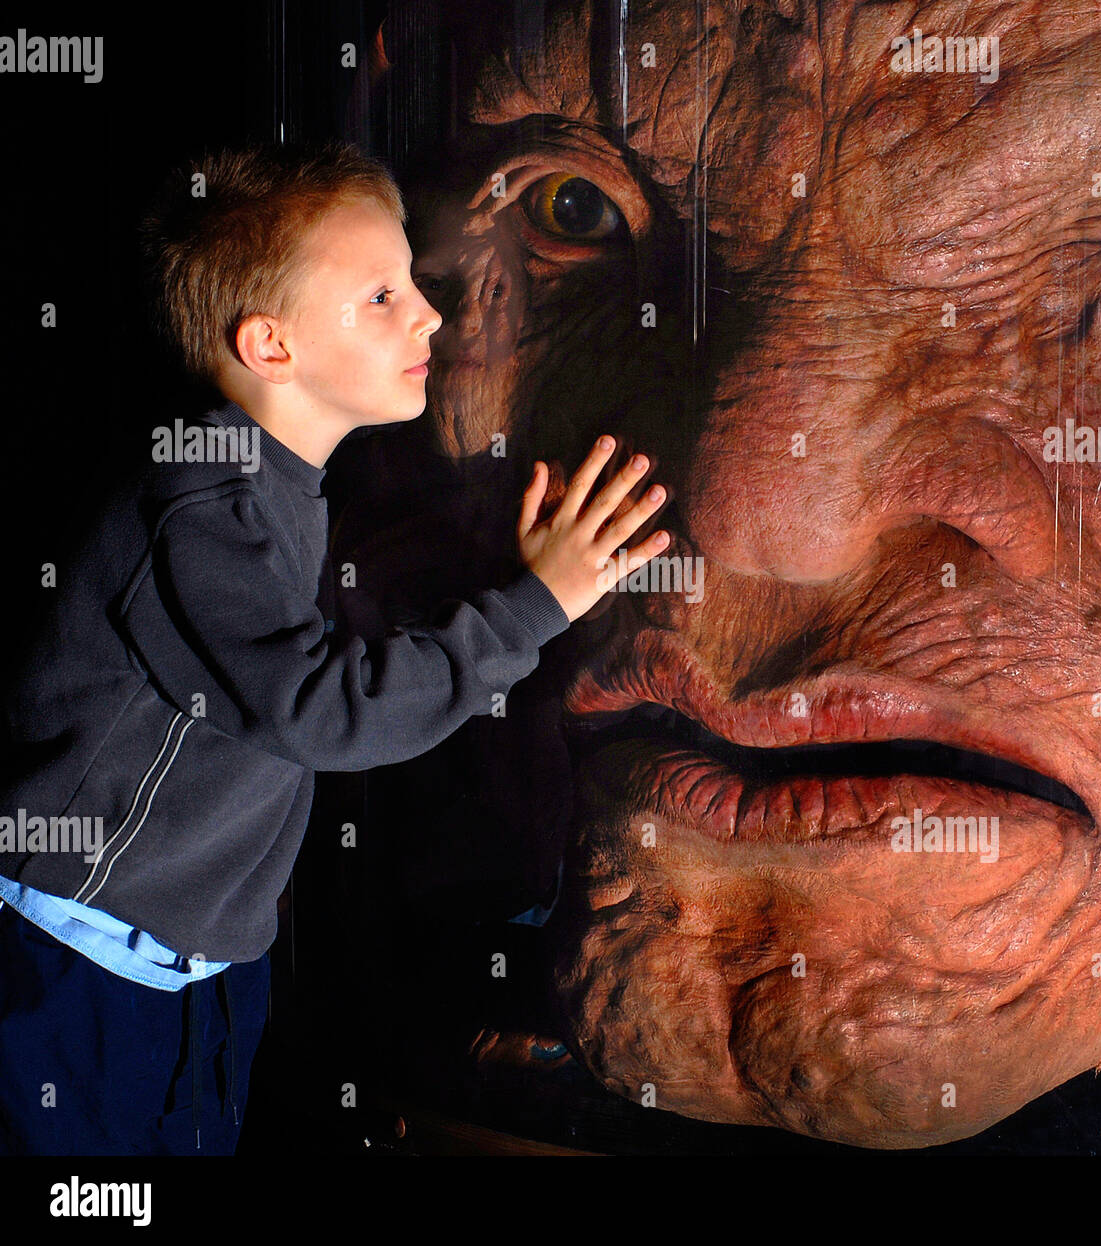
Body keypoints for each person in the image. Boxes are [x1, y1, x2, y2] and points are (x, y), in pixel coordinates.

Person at [0, 140, 670, 1155]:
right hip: (74, 960)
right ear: (271, 345)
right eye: (381, 297)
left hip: (195, 969)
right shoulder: (201, 503)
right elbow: (322, 711)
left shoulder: (274, 484)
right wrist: (539, 601)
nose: (429, 315)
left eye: (410, 283)